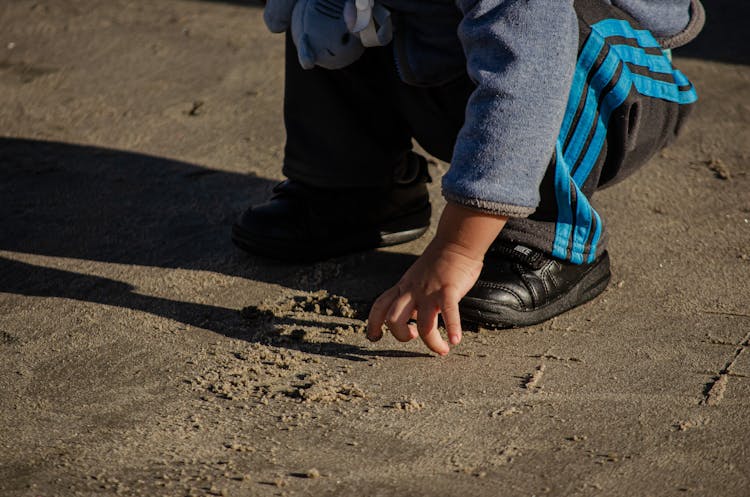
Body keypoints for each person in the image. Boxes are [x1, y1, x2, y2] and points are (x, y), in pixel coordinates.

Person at [233, 0, 705, 355]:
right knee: (325, 12)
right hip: (444, 68)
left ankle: (548, 234)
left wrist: (458, 248)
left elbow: (527, 68)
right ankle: (357, 187)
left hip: (612, 84)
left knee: (551, 42)